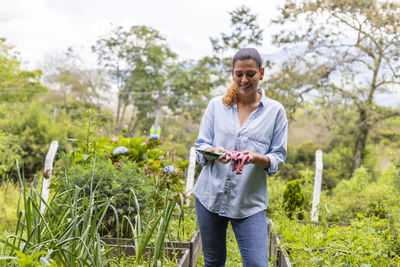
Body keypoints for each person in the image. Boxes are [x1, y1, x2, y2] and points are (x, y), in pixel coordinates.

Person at [193, 48, 288, 267]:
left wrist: (255, 158)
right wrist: (214, 153)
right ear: (232, 73)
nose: (244, 79)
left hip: (249, 202)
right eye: (239, 74)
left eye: (251, 74)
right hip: (210, 197)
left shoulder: (275, 111)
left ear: (261, 73)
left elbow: (278, 157)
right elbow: (201, 146)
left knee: (257, 264)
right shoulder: (216, 105)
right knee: (214, 262)